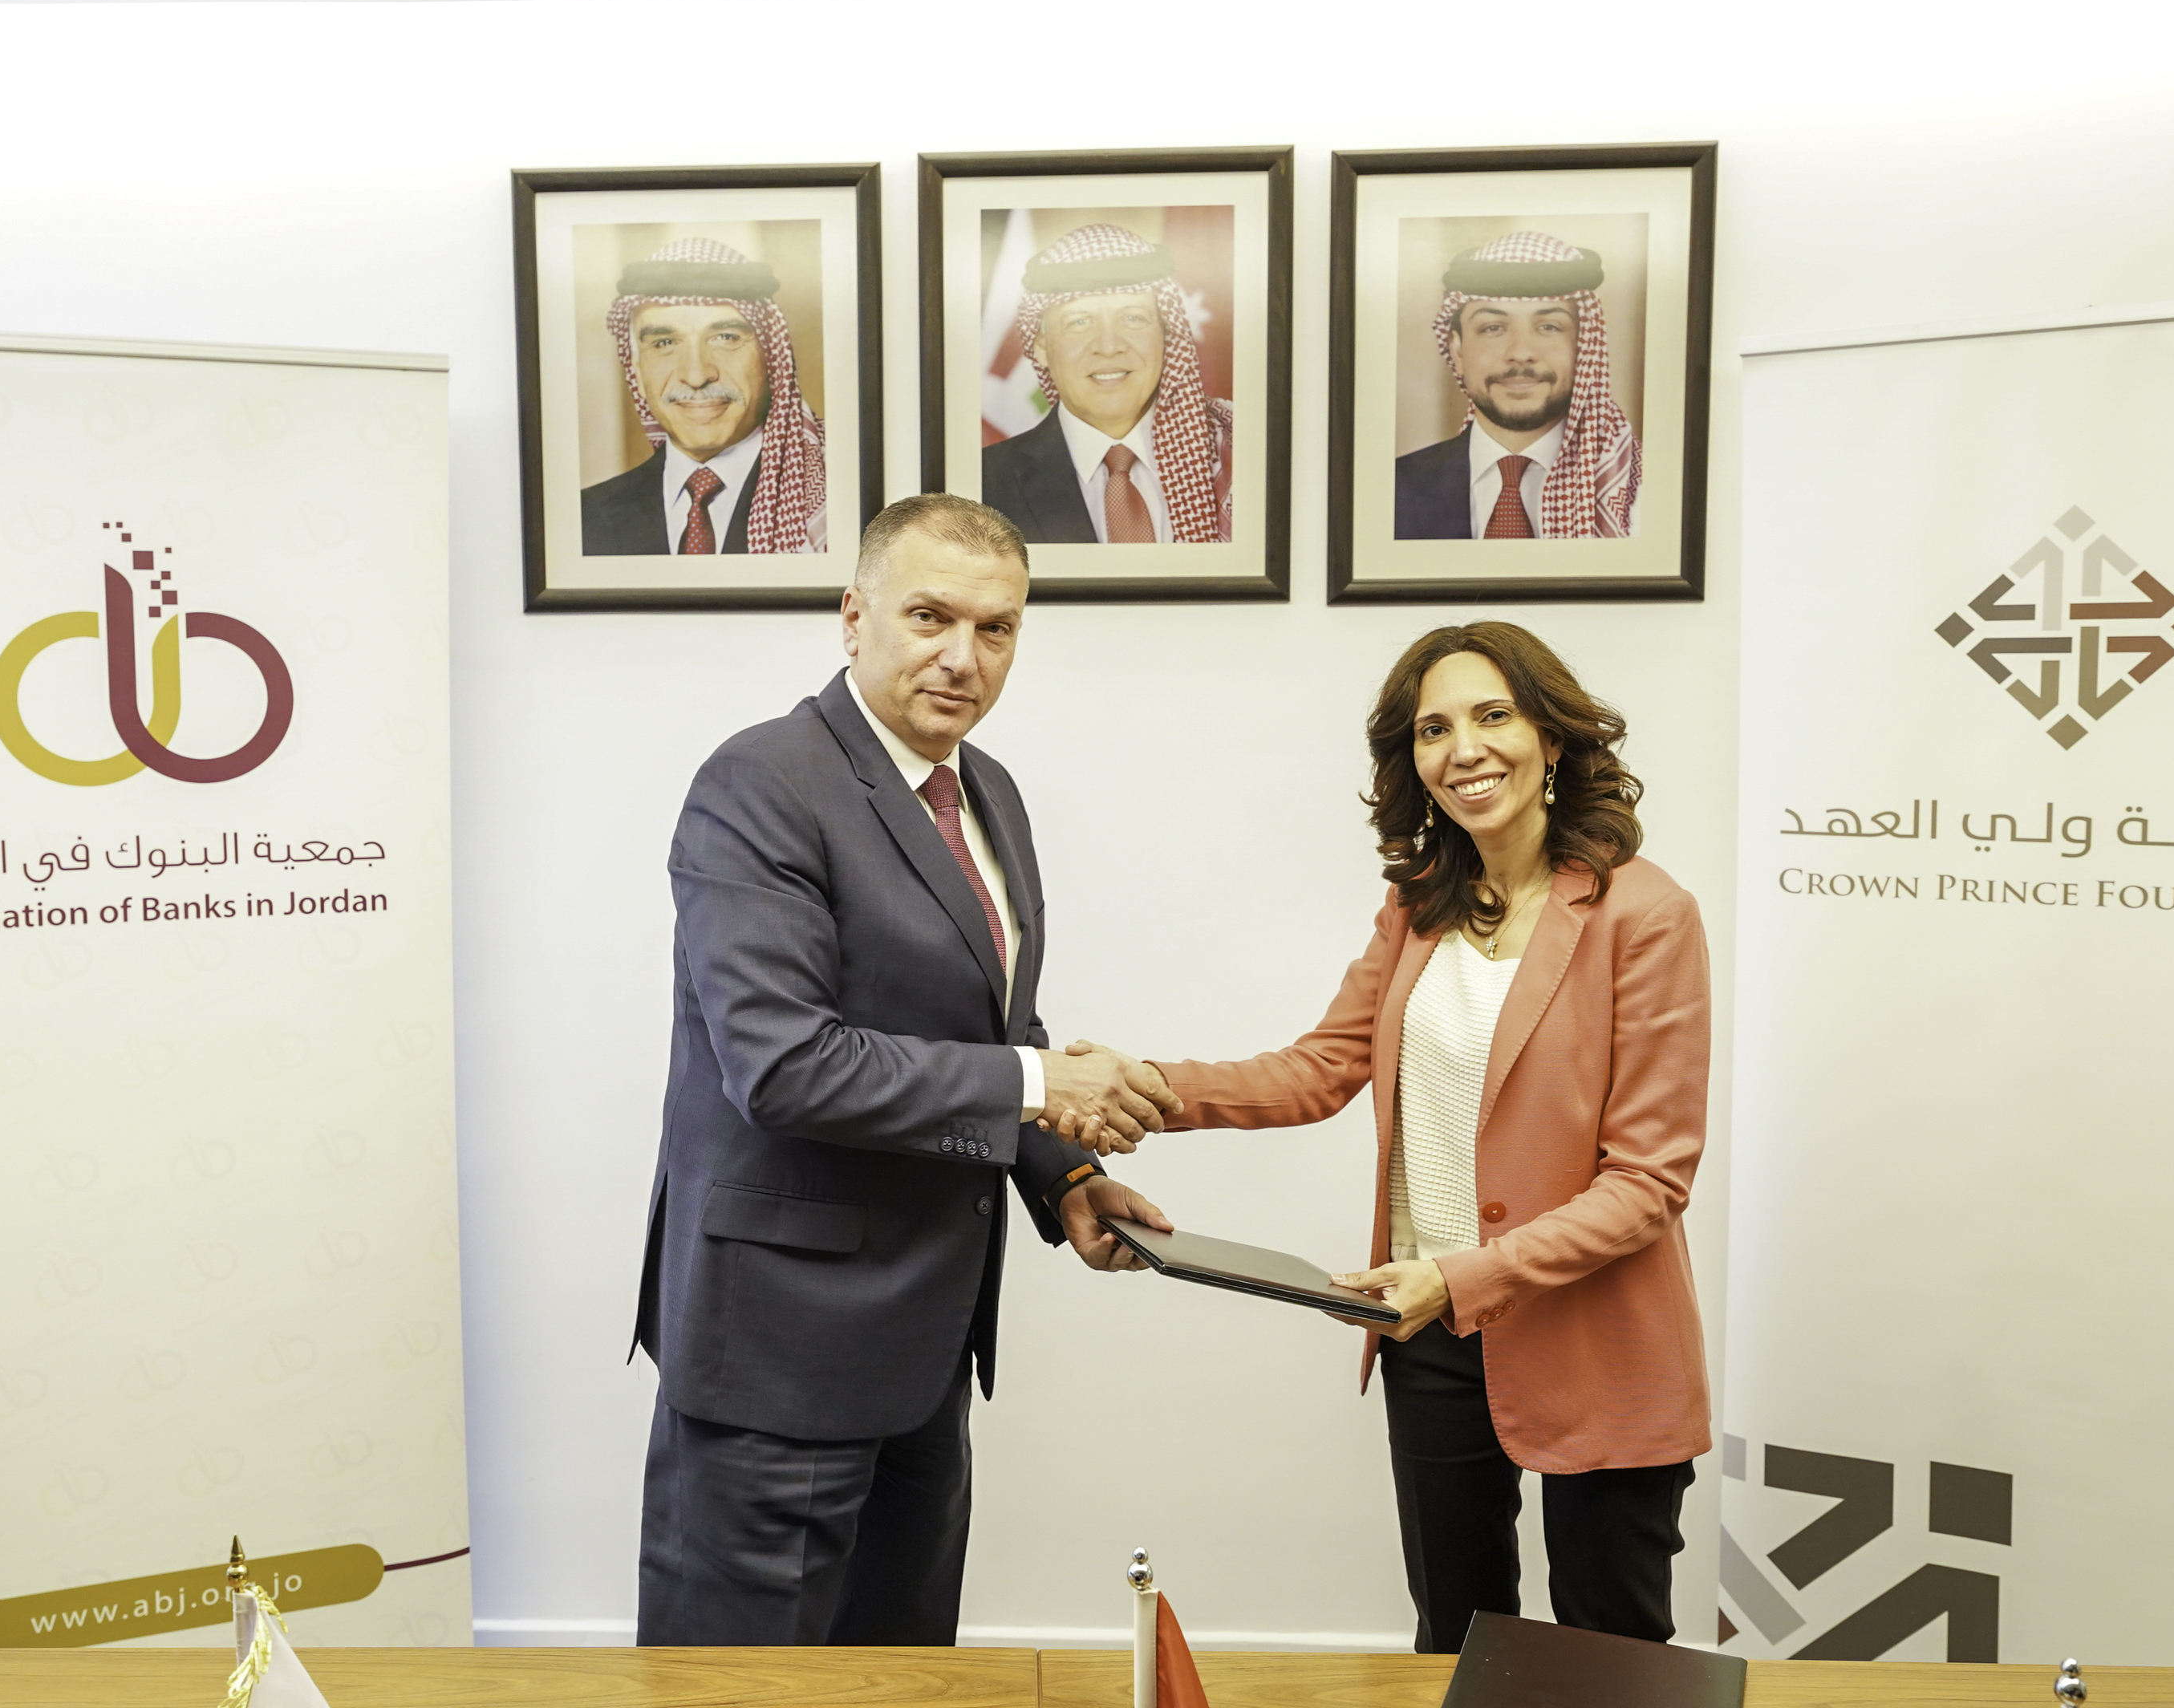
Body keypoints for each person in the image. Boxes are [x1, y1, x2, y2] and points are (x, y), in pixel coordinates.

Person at [632, 493, 1179, 1645]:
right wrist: (1041, 1087)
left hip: (926, 1348)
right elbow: (784, 1065)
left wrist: (1065, 1176)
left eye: (997, 628)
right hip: (778, 1354)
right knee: (737, 1692)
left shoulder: (989, 791)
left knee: (905, 1677)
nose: (962, 657)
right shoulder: (761, 781)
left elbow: (992, 1021)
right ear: (853, 616)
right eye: (930, 617)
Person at [1106, 620, 1710, 1653]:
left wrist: (1463, 1276)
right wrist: (1144, 1086)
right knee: (1456, 1643)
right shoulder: (1419, 902)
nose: (1463, 749)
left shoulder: (1645, 914)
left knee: (1610, 1659)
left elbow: (1647, 1181)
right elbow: (1318, 1068)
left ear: (1550, 737)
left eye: (1492, 716)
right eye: (1434, 729)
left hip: (1592, 1340)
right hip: (1427, 1336)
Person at [981, 222, 1233, 546]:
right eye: (1080, 322)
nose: (1109, 346)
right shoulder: (983, 485)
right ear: (1041, 346)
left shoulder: (1238, 455)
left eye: (1133, 318)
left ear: (1166, 335)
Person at [583, 236, 829, 556]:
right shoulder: (584, 520)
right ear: (638, 373)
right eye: (664, 343)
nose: (697, 375)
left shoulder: (834, 502)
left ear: (771, 360)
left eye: (726, 338)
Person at [1393, 232, 1641, 542]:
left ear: (1584, 347)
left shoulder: (1641, 494)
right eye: (1493, 328)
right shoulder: (1389, 492)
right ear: (1457, 352)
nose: (1521, 352)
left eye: (1549, 327)